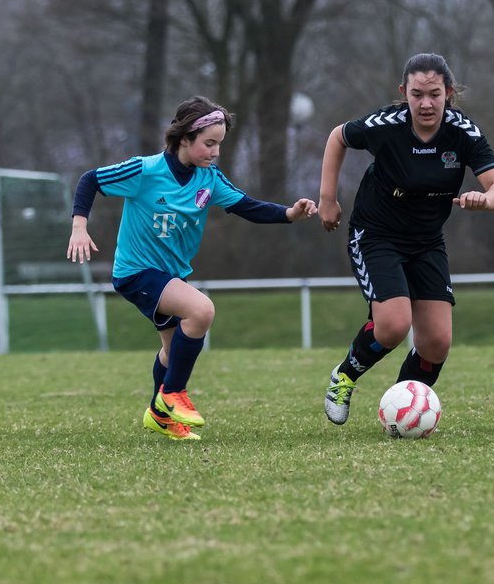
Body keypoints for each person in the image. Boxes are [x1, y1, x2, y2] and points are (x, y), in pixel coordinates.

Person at [67, 96, 317, 441]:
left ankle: (159, 415)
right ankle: (173, 395)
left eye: (219, 144)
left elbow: (246, 205)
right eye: (209, 143)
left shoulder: (208, 179)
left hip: (171, 276)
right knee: (201, 310)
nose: (215, 152)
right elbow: (89, 180)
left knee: (172, 351)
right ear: (184, 138)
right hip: (136, 272)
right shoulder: (145, 171)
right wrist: (80, 226)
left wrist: (289, 213)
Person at [318, 53, 494, 425]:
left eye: (435, 94)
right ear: (404, 93)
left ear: (449, 93)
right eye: (417, 94)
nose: (426, 103)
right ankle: (344, 377)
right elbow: (337, 137)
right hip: (375, 235)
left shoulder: (463, 132)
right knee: (393, 324)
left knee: (436, 342)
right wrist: (327, 199)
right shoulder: (385, 125)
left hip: (426, 241)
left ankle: (402, 411)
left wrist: (485, 200)